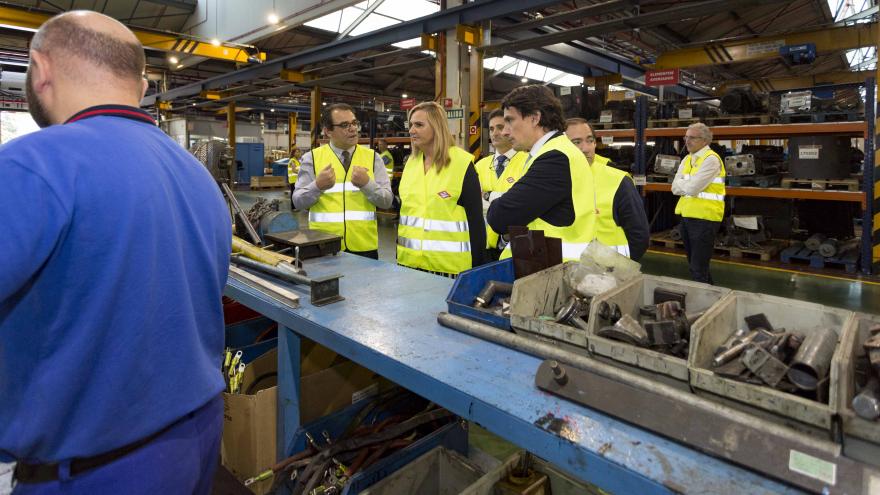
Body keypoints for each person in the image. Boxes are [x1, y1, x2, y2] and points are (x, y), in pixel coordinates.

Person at [0, 11, 231, 494]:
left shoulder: (35, 164)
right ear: (142, 87)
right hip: (195, 442)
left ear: (40, 68)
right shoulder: (197, 176)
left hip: (93, 469)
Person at [487, 85, 596, 261]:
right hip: (549, 267)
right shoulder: (553, 151)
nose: (506, 131)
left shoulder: (554, 158)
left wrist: (493, 200)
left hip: (550, 271)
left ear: (535, 118)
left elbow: (500, 217)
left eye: (510, 120)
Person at [293, 103, 392, 259]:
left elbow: (387, 201)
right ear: (328, 131)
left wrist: (367, 184)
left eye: (354, 123)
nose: (353, 129)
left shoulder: (373, 158)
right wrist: (317, 186)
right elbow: (298, 202)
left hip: (364, 247)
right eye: (344, 125)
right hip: (323, 245)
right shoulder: (311, 158)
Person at [397, 101, 485, 276]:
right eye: (411, 125)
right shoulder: (411, 164)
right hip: (409, 263)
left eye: (419, 125)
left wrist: (476, 270)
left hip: (449, 269)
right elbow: (405, 215)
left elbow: (475, 223)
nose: (411, 130)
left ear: (437, 127)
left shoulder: (461, 163)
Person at [565, 118, 650, 261]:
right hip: (562, 274)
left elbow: (639, 236)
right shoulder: (550, 181)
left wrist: (619, 270)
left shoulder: (617, 181)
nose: (585, 148)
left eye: (590, 140)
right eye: (576, 142)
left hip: (608, 275)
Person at [671, 122, 726, 283]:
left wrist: (685, 186)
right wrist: (685, 186)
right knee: (694, 266)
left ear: (705, 140)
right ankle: (711, 298)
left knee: (698, 267)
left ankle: (705, 302)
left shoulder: (711, 160)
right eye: (686, 137)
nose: (687, 141)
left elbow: (693, 188)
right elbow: (674, 188)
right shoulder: (687, 159)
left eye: (692, 138)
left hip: (705, 219)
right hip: (687, 217)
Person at [474, 109, 529, 260]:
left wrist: (487, 195)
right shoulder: (480, 165)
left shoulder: (528, 161)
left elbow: (523, 202)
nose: (494, 133)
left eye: (500, 127)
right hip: (484, 245)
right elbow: (474, 204)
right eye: (491, 129)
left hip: (515, 246)